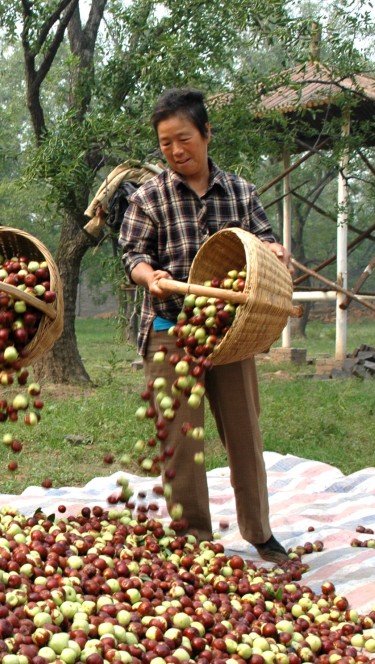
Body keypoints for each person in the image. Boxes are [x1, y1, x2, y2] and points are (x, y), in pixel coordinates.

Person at [119, 87, 292, 564]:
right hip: (171, 327)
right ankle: (191, 536)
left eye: (184, 139)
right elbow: (133, 253)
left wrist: (275, 253)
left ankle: (259, 532)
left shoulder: (240, 191)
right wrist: (148, 276)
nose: (176, 152)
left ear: (206, 133)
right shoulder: (149, 197)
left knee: (244, 431)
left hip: (230, 332)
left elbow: (265, 242)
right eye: (166, 144)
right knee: (179, 439)